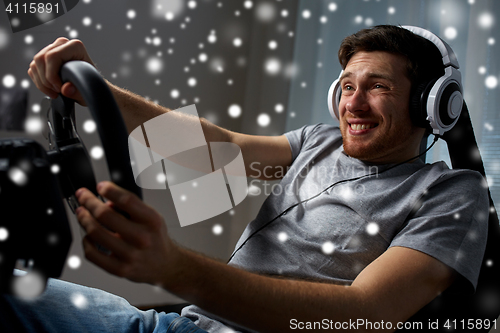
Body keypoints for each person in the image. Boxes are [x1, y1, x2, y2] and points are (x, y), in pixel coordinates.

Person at [1, 25, 488, 332]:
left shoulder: (452, 195)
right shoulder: (318, 141)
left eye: (377, 87)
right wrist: (96, 89)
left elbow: (363, 312)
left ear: (432, 103)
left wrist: (173, 267)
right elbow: (214, 153)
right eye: (346, 88)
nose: (353, 105)